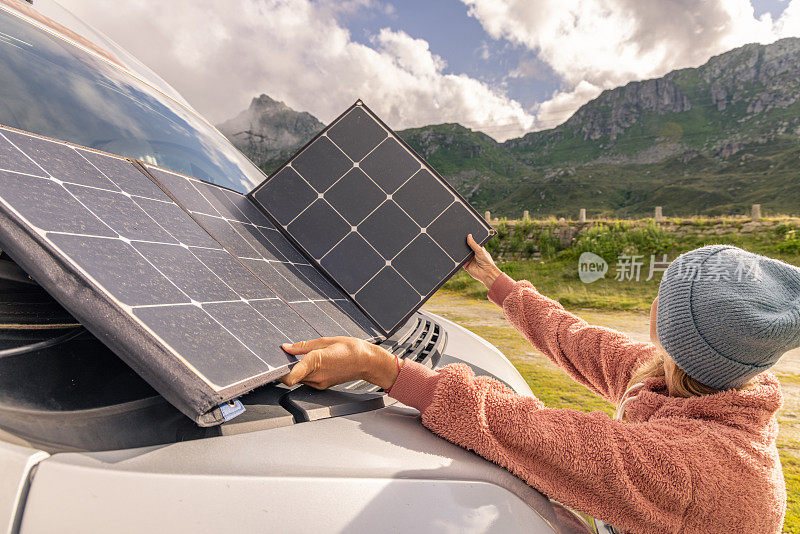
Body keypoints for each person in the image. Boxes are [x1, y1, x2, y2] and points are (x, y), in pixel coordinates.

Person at [280, 236, 799, 533]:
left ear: (671, 327)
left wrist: (382, 368)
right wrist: (498, 282)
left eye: (666, 296)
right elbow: (576, 338)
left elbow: (535, 432)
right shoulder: (686, 377)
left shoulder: (694, 468)